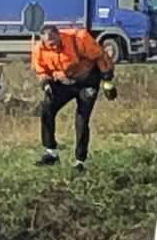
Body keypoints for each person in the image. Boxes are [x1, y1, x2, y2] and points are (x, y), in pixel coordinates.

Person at [30, 24, 117, 170]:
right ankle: (51, 153)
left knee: (81, 119)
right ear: (42, 41)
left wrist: (107, 80)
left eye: (54, 42)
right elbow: (41, 70)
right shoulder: (39, 49)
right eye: (48, 44)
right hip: (64, 82)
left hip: (87, 80)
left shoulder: (79, 38)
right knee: (47, 109)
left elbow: (100, 56)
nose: (52, 46)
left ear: (59, 35)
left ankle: (80, 161)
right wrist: (45, 83)